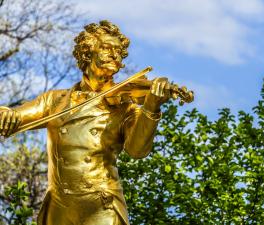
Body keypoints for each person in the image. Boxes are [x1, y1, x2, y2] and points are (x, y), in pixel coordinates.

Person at [0, 20, 171, 225]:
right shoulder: (55, 101)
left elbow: (137, 150)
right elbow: (17, 116)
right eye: (107, 48)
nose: (115, 55)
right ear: (87, 52)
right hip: (59, 205)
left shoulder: (124, 106)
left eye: (119, 51)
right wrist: (6, 113)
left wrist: (151, 107)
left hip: (101, 204)